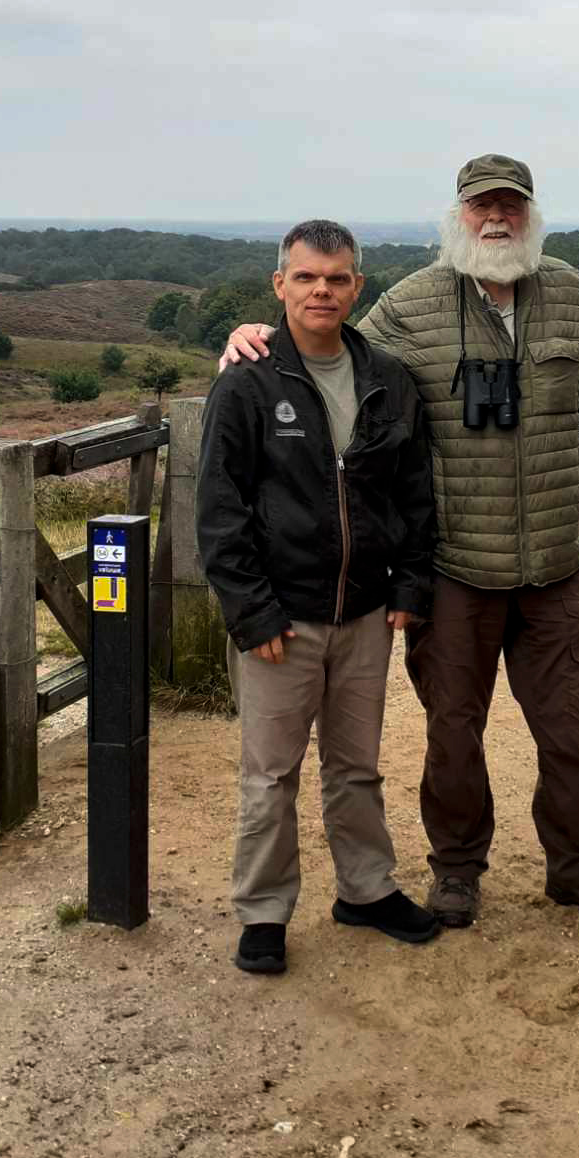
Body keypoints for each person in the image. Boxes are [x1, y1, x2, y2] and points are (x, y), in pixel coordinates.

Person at [222, 155, 579, 932]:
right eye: (482, 204)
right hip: (455, 569)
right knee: (454, 737)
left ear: (530, 215)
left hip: (554, 565)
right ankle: (456, 870)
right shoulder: (411, 306)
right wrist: (253, 335)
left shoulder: (574, 296)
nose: (496, 218)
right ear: (457, 215)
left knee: (574, 732)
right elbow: (326, 344)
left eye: (511, 206)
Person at [197, 219, 442, 975]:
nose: (322, 291)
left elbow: (412, 494)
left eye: (337, 278)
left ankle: (365, 892)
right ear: (280, 285)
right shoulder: (246, 382)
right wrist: (250, 610)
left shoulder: (389, 380)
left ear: (356, 286)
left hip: (366, 613)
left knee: (356, 766)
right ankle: (264, 913)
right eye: (306, 278)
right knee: (271, 776)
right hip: (282, 619)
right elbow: (219, 507)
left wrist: (411, 580)